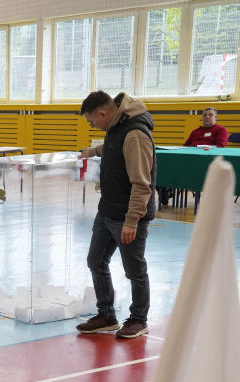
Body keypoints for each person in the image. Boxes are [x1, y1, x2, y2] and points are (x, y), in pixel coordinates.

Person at [76, 91, 156, 340]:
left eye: (92, 121)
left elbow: (142, 184)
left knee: (134, 270)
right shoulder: (117, 125)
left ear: (103, 113)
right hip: (107, 210)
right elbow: (114, 148)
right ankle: (106, 315)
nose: (92, 125)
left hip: (127, 216)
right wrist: (93, 151)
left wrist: (132, 221)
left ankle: (138, 319)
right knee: (96, 261)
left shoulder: (134, 134)